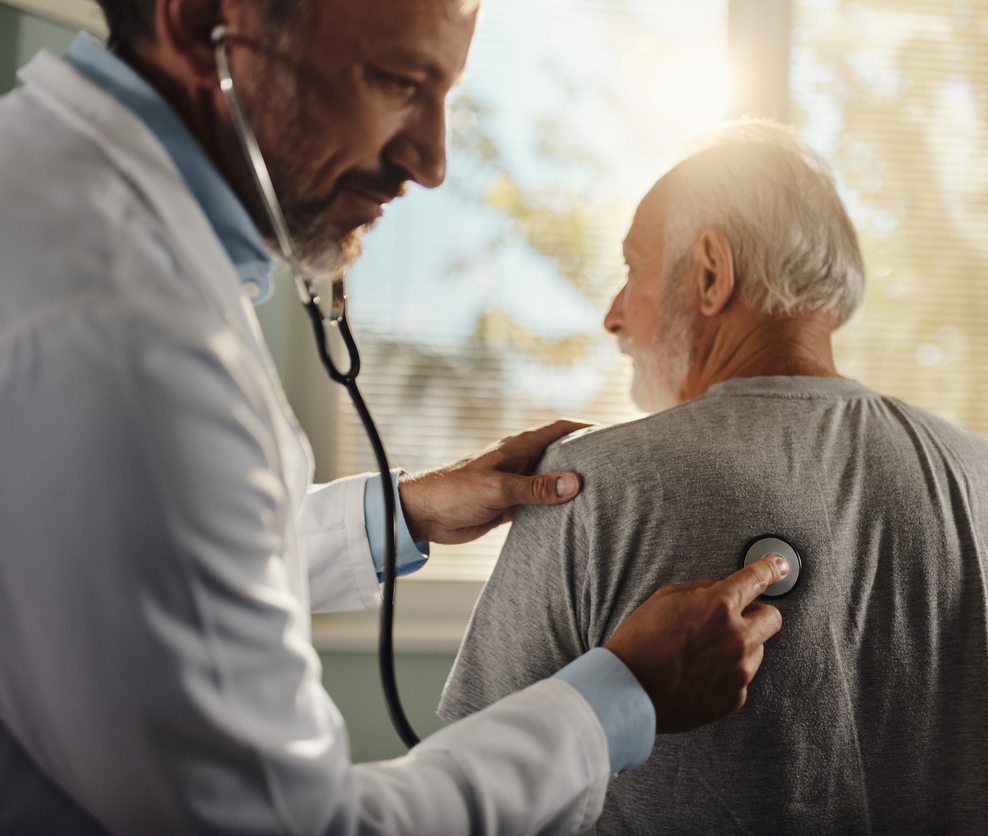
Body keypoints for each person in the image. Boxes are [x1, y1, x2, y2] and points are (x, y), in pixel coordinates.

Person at [0, 0, 791, 833]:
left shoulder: (50, 199)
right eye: (396, 80)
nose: (432, 161)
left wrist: (403, 512)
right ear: (203, 25)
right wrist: (619, 698)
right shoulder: (120, 334)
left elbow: (129, 565)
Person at [440, 121, 988, 835]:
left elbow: (480, 804)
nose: (613, 314)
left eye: (632, 269)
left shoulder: (581, 487)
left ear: (710, 272)